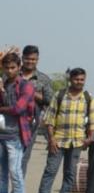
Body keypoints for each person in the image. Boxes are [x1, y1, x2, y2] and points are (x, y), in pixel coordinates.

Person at [31, 68, 94, 193]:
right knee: (50, 171)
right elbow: (49, 119)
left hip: (77, 142)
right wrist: (51, 139)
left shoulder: (88, 97)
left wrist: (90, 138)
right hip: (58, 141)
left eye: (82, 79)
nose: (79, 82)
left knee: (70, 173)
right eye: (76, 79)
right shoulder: (59, 95)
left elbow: (93, 120)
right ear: (70, 79)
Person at [0, 50, 36, 193]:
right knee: (1, 175)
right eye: (6, 67)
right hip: (1, 135)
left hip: (16, 136)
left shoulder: (26, 86)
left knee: (15, 173)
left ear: (19, 67)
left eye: (13, 67)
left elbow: (18, 109)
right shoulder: (3, 84)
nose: (9, 71)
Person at [19, 45, 53, 175]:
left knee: (23, 157)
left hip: (30, 124)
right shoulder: (11, 74)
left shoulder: (43, 79)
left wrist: (30, 92)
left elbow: (50, 101)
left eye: (33, 59)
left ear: (37, 60)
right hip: (9, 123)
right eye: (27, 59)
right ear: (22, 58)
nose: (30, 61)